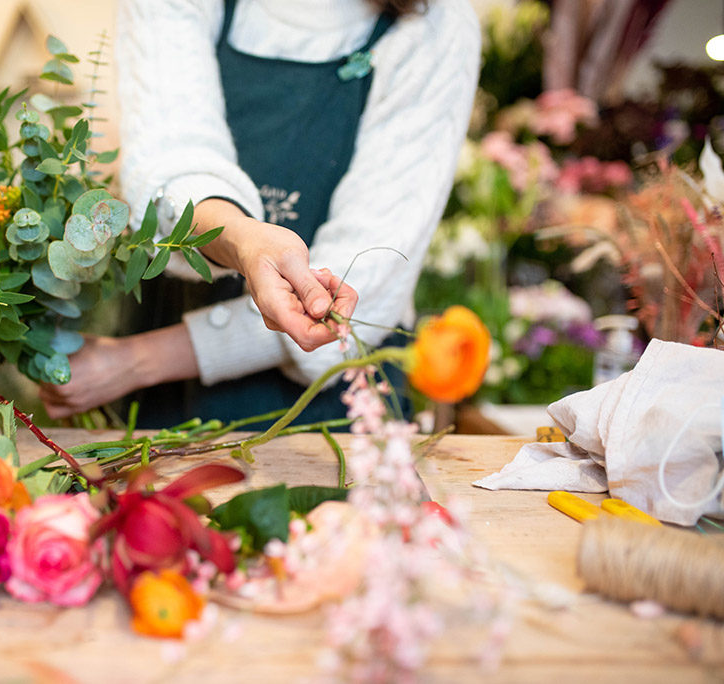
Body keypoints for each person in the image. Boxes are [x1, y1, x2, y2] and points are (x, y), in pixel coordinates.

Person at [38, 0, 481, 427]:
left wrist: (134, 361)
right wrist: (245, 243)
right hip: (166, 403)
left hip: (333, 414)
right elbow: (170, 163)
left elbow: (366, 280)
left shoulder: (435, 22)